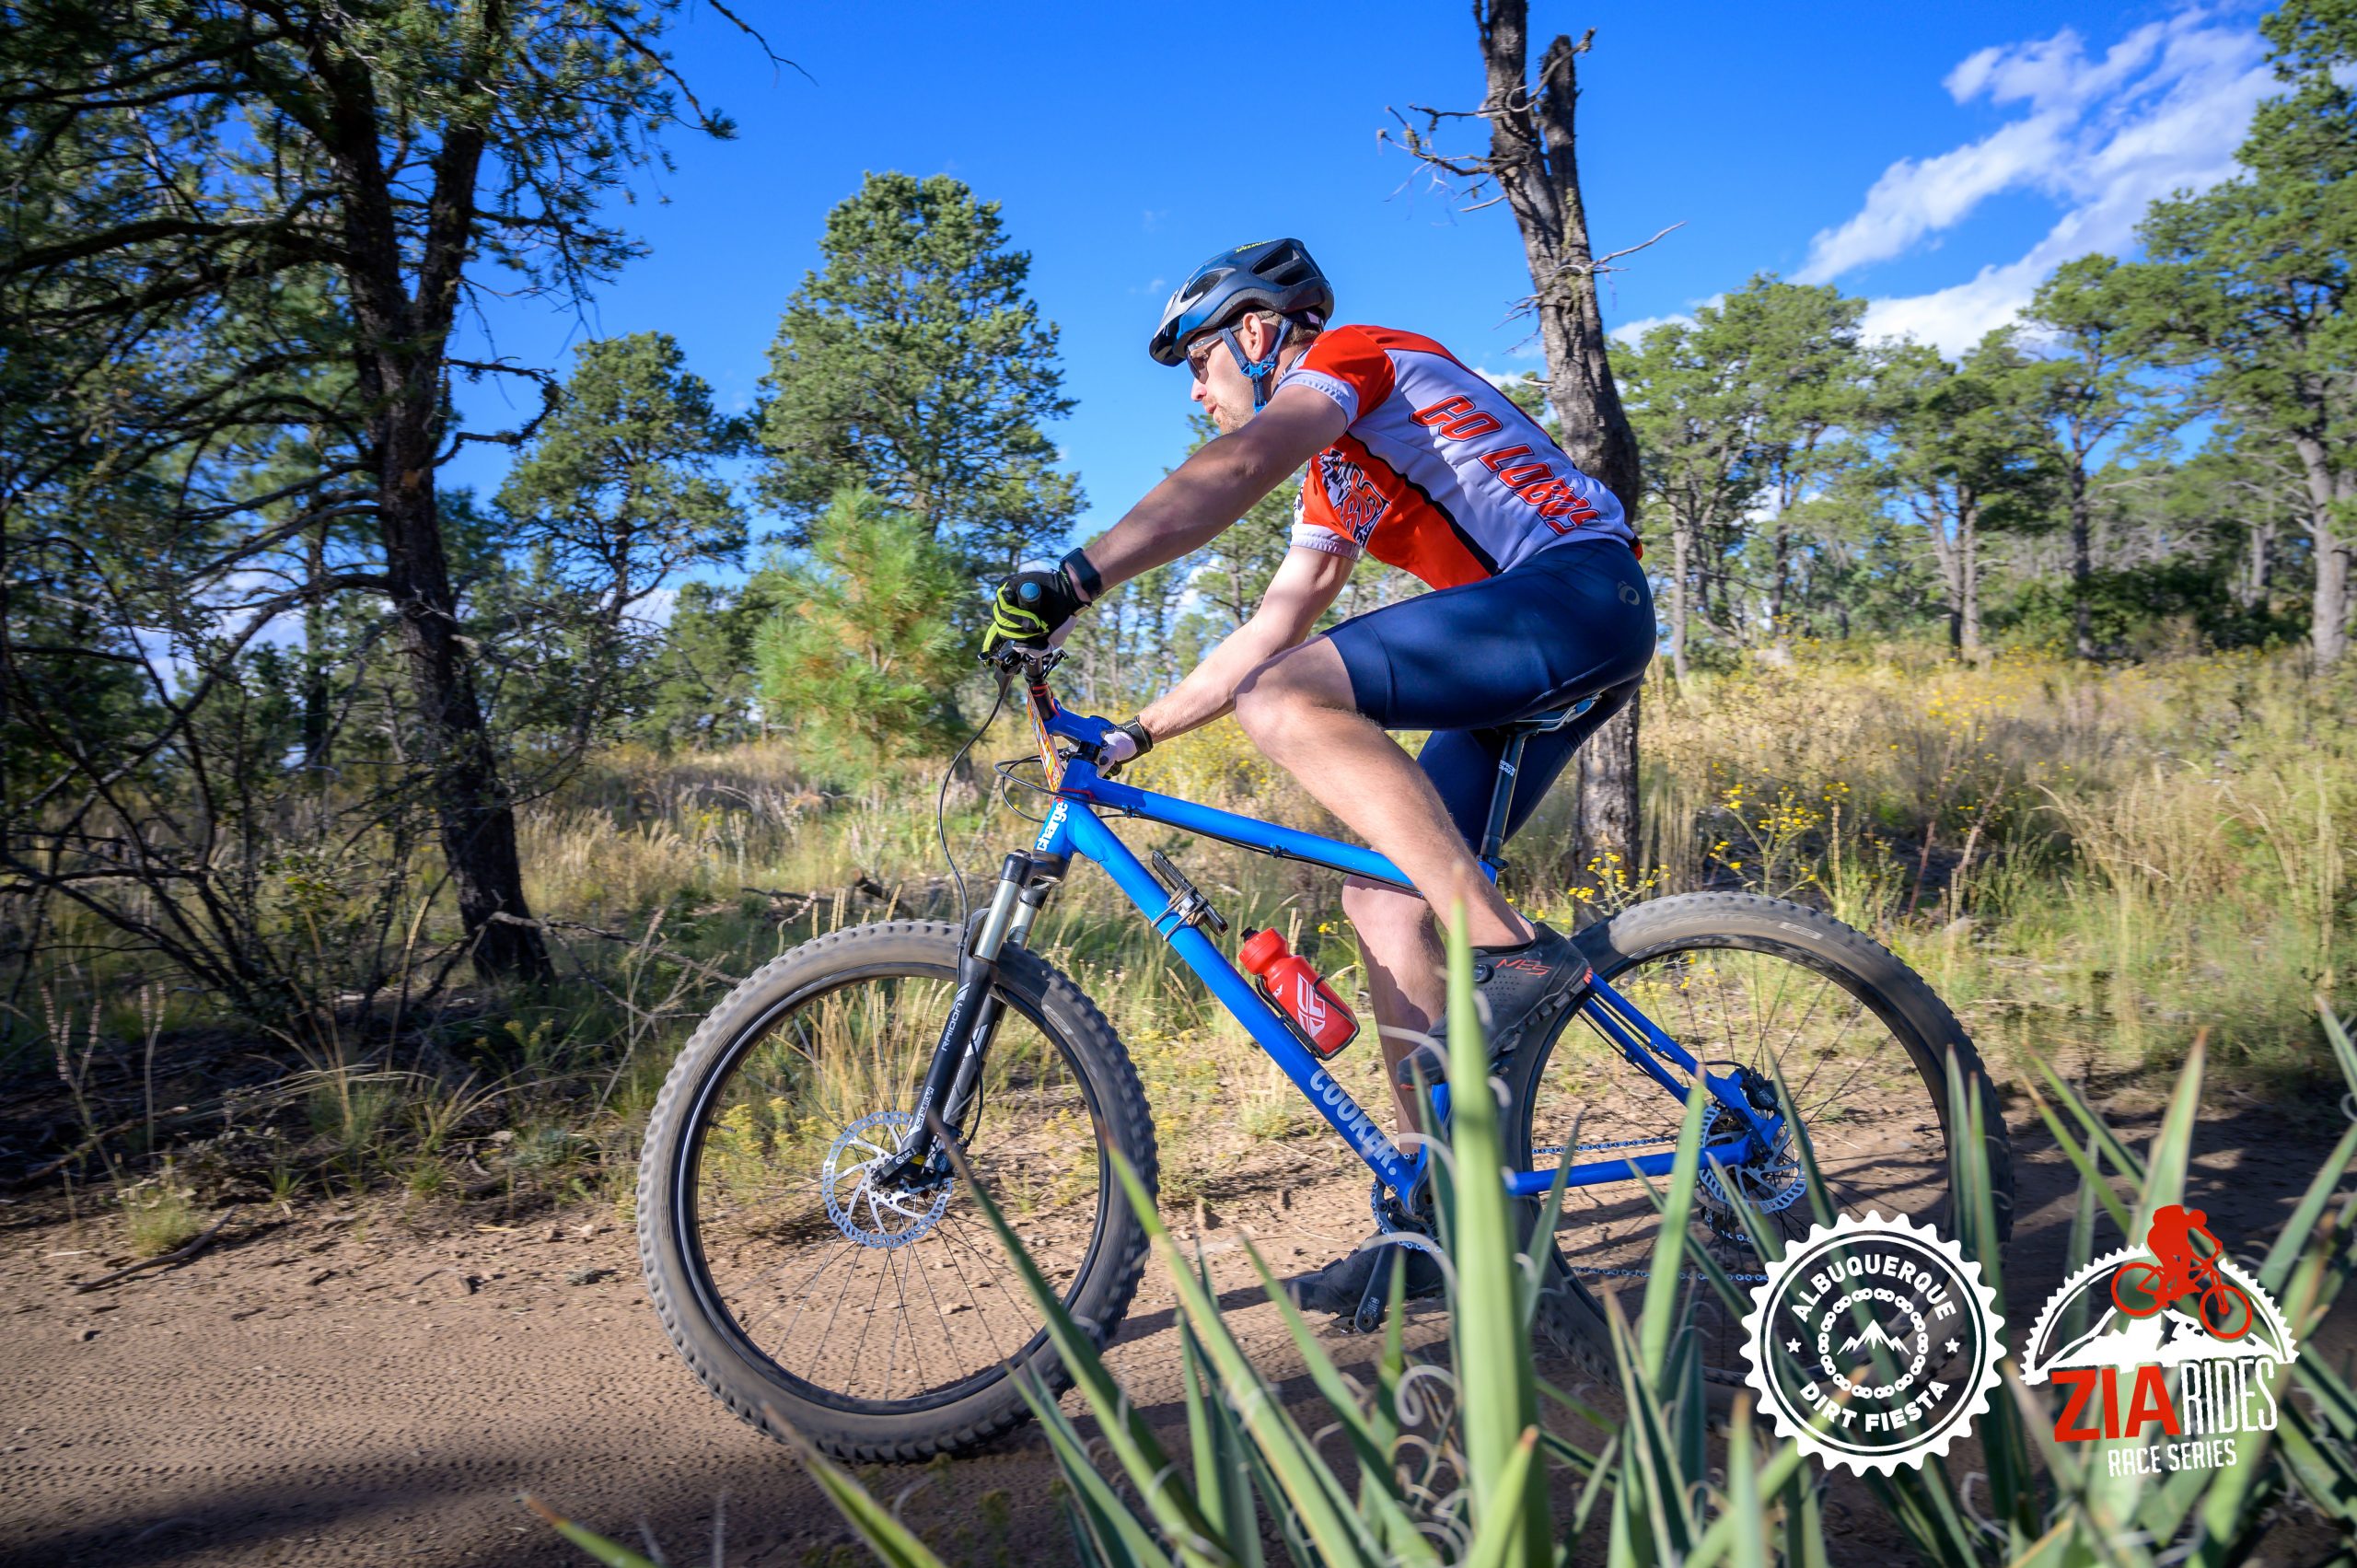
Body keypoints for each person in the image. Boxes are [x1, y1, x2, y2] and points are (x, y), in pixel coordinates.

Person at [981, 238, 1656, 1314]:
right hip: (1546, 645)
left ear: (1256, 332)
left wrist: (1073, 579)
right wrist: (1134, 735)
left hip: (1574, 594)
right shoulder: (1338, 469)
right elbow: (1274, 620)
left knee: (1287, 700)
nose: (1197, 393)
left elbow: (1236, 469)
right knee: (1384, 903)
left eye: (1198, 364)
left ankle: (1510, 954)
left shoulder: (1353, 358)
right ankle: (1443, 1215)